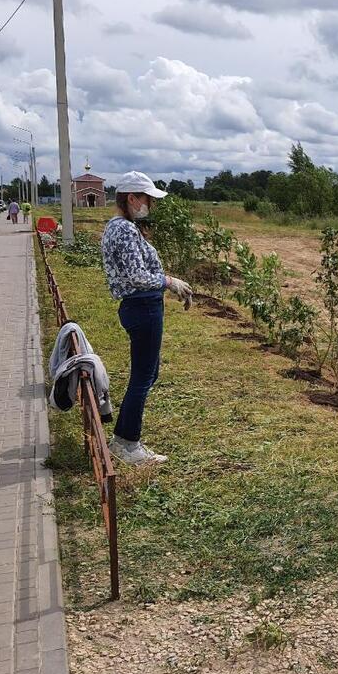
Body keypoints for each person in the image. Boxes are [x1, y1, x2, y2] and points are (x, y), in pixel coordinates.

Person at [100, 171, 194, 465]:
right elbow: (137, 275)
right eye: (147, 199)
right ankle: (127, 443)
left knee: (148, 374)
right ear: (131, 198)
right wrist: (169, 281)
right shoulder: (124, 230)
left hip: (141, 306)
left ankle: (125, 439)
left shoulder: (122, 227)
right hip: (142, 307)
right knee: (143, 376)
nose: (150, 206)